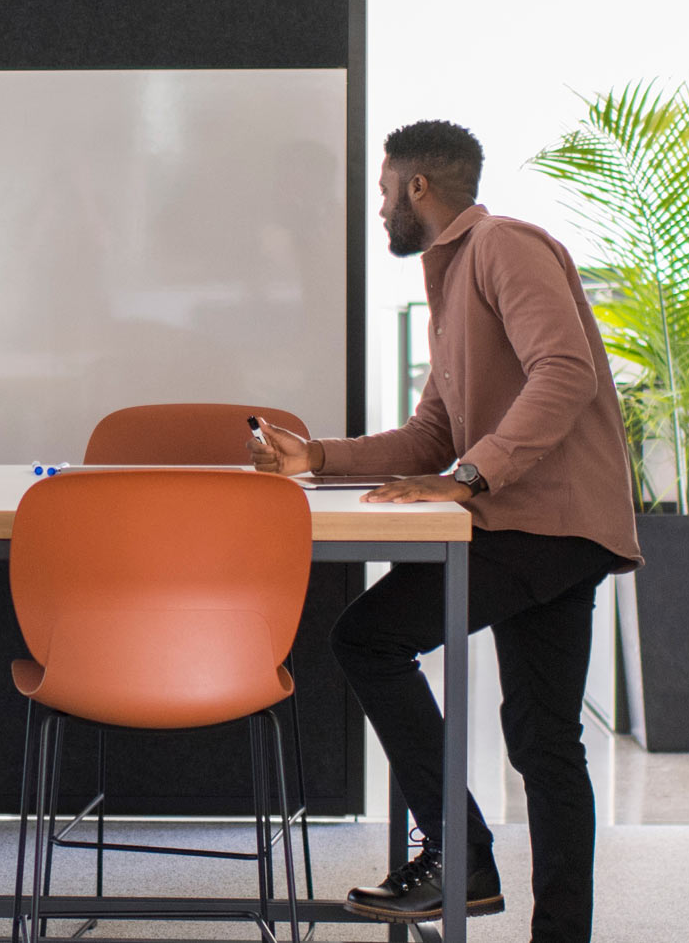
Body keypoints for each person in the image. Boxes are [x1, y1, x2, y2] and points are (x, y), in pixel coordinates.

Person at [249, 121, 640, 943]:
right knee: (543, 739)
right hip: (539, 521)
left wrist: (469, 477)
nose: (381, 206)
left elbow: (565, 370)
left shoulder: (503, 246)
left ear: (418, 187)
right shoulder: (451, 279)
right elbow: (432, 433)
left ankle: (461, 856)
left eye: (385, 190)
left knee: (369, 640)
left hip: (545, 520)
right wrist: (313, 457)